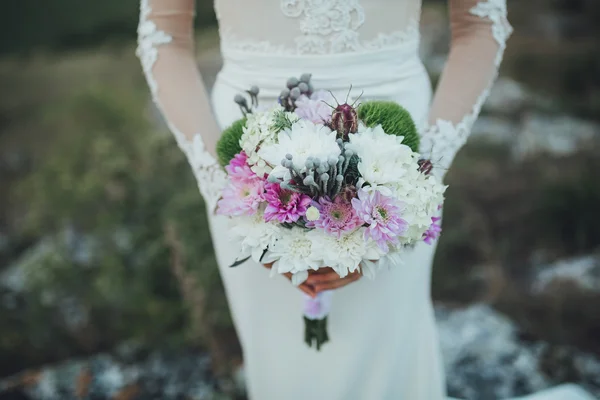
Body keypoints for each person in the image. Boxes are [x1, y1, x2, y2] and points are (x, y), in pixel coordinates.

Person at [136, 1, 594, 399]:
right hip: (244, 161)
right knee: (280, 350)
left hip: (396, 151)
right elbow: (165, 37)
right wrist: (222, 184)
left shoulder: (408, 168)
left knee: (383, 349)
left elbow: (480, 23)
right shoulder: (233, 180)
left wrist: (420, 173)